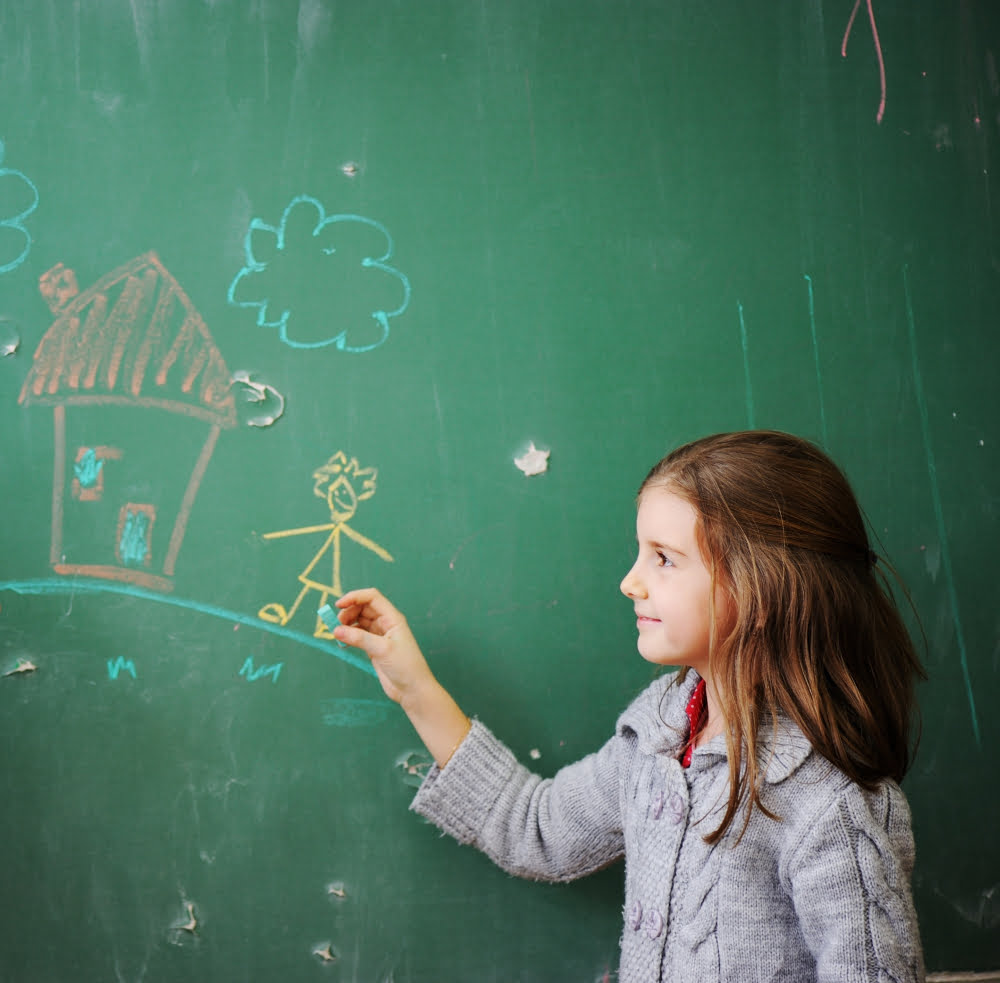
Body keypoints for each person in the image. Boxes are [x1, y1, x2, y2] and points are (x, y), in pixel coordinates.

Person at [332, 430, 926, 983]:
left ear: (762, 587)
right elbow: (538, 829)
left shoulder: (833, 806)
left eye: (663, 559)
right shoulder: (662, 730)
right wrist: (416, 689)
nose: (630, 581)